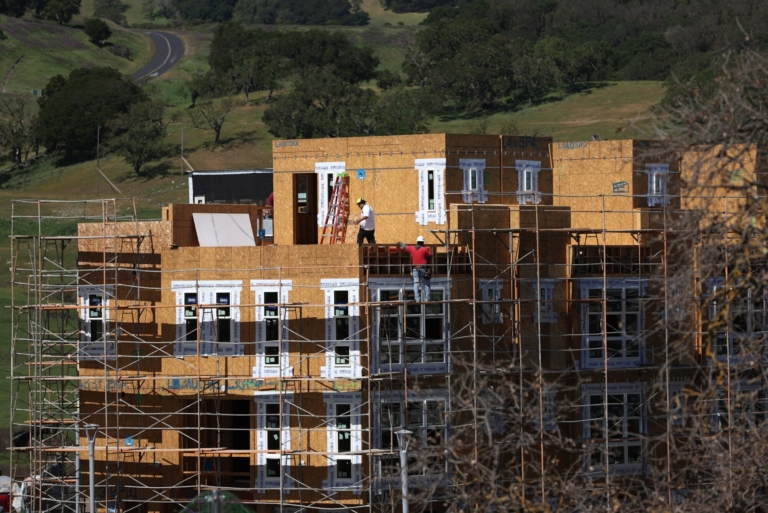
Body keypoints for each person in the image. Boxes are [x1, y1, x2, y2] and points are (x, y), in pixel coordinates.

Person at [399, 236, 432, 301]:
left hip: (415, 269)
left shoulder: (412, 248)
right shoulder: (425, 249)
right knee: (426, 283)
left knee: (416, 283)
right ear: (423, 242)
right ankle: (427, 298)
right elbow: (430, 255)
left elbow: (405, 247)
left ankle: (417, 299)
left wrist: (400, 243)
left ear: (417, 242)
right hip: (424, 269)